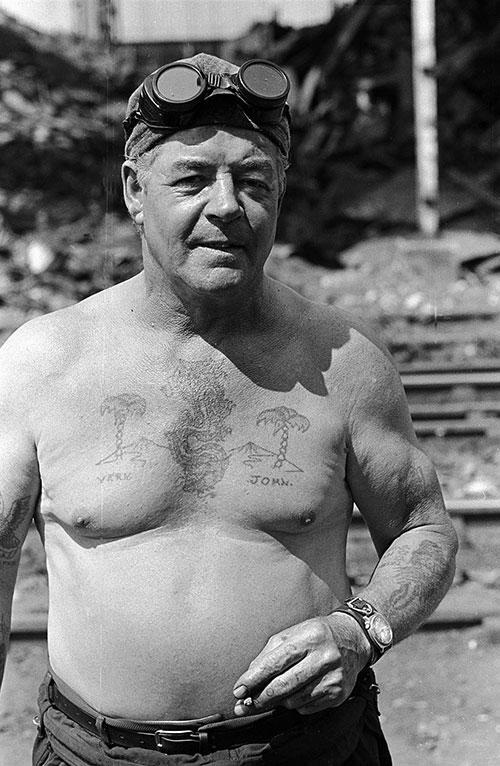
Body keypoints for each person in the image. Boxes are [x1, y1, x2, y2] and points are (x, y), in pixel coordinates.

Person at [0, 53, 457, 766]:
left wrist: (362, 629)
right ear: (134, 191)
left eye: (252, 181)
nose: (226, 206)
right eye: (190, 179)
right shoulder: (43, 365)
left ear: (279, 192)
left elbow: (425, 532)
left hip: (307, 753)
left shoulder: (346, 362)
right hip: (95, 757)